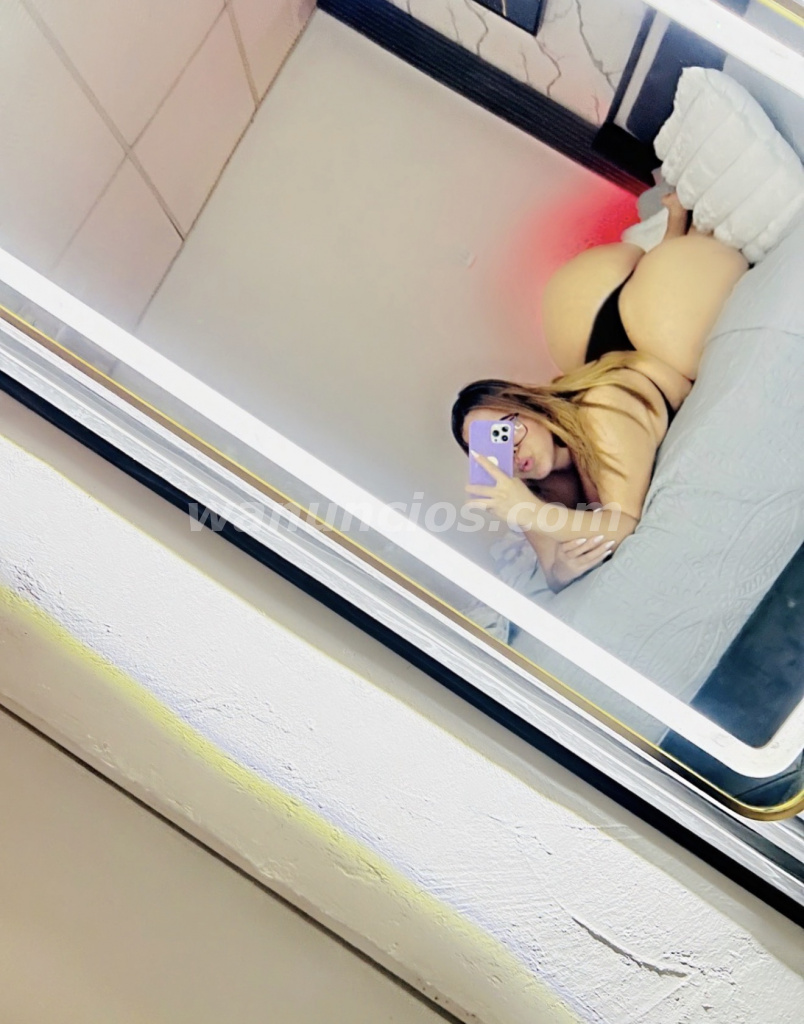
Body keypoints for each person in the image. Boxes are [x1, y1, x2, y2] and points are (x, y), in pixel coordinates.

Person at [453, 193, 749, 593]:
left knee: (672, 280)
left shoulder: (600, 412)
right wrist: (561, 565)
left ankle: (678, 230)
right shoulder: (530, 483)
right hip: (608, 354)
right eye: (493, 446)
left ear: (530, 407)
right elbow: (552, 572)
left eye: (508, 429)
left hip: (660, 348)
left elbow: (624, 523)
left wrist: (531, 513)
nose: (512, 451)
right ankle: (670, 231)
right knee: (625, 302)